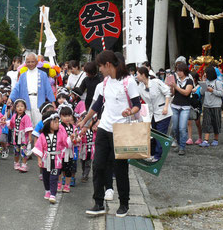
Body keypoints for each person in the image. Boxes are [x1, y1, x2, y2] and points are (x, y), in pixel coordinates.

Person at [79, 50, 141, 218]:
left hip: (121, 130)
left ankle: (124, 204)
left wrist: (130, 111)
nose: (99, 70)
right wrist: (84, 121)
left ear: (107, 65)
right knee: (98, 165)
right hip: (104, 129)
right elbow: (97, 105)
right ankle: (98, 203)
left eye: (100, 66)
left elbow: (137, 105)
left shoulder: (128, 82)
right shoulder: (105, 83)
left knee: (120, 169)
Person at [32, 110, 71, 204]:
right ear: (48, 123)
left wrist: (72, 138)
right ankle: (47, 190)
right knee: (46, 176)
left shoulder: (60, 134)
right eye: (55, 122)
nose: (58, 124)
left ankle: (53, 194)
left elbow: (66, 143)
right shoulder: (42, 136)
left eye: (58, 122)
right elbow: (39, 148)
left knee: (54, 176)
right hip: (46, 159)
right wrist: (39, 159)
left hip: (56, 159)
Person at [136, 66, 171, 162]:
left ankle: (158, 156)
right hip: (152, 114)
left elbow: (167, 92)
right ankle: (152, 154)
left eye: (138, 74)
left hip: (163, 112)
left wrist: (166, 107)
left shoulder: (156, 82)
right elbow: (136, 98)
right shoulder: (140, 87)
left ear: (143, 75)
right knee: (153, 133)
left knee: (160, 134)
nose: (136, 76)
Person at [9, 53, 55, 127]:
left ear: (37, 62)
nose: (30, 64)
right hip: (26, 100)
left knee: (39, 124)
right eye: (28, 62)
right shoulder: (23, 75)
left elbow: (48, 89)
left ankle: (38, 138)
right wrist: (10, 98)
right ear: (25, 63)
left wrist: (52, 102)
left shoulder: (43, 74)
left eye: (32, 61)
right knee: (27, 125)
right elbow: (17, 88)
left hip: (38, 101)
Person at [170, 63, 194, 156]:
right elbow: (172, 94)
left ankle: (182, 147)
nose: (178, 73)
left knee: (182, 128)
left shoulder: (189, 81)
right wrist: (172, 87)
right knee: (175, 128)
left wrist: (176, 87)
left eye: (180, 71)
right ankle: (179, 144)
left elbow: (186, 93)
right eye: (177, 71)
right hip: (175, 105)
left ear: (184, 71)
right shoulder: (176, 80)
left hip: (185, 107)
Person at [199, 66, 223, 147]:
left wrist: (212, 90)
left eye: (206, 73)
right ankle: (206, 140)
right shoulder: (206, 82)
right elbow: (202, 93)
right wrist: (203, 83)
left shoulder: (218, 82)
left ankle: (215, 139)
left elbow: (221, 93)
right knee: (206, 123)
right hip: (207, 105)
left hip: (216, 105)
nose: (205, 74)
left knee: (216, 122)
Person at [58, 104, 79, 193]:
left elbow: (76, 139)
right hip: (61, 151)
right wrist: (70, 138)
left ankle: (67, 185)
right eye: (64, 116)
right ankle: (59, 184)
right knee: (59, 168)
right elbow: (60, 139)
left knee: (68, 169)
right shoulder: (59, 127)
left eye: (69, 115)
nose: (67, 118)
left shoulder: (73, 127)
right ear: (60, 116)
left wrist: (76, 139)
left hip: (70, 151)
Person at [9, 99, 33, 172]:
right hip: (16, 136)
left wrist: (29, 136)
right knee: (16, 151)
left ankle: (24, 164)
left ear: (25, 108)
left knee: (23, 152)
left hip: (23, 137)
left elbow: (29, 127)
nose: (20, 108)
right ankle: (16, 163)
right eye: (18, 106)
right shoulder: (14, 116)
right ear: (15, 108)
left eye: (22, 106)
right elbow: (11, 124)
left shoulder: (26, 117)